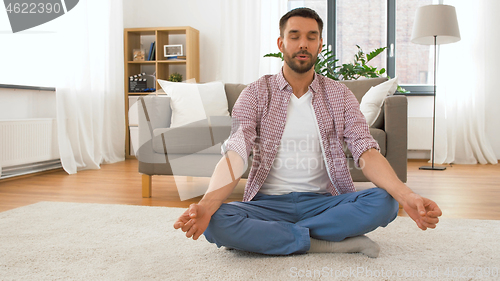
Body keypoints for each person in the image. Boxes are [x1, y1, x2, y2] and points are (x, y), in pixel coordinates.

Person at [174, 7, 442, 258]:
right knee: (216, 221)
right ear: (281, 44)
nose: (303, 43)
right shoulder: (255, 94)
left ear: (320, 45)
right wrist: (207, 205)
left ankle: (276, 238)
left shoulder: (340, 95)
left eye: (311, 37)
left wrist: (407, 196)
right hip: (268, 205)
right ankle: (324, 242)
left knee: (386, 202)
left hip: (324, 203)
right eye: (295, 36)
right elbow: (236, 154)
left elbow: (366, 152)